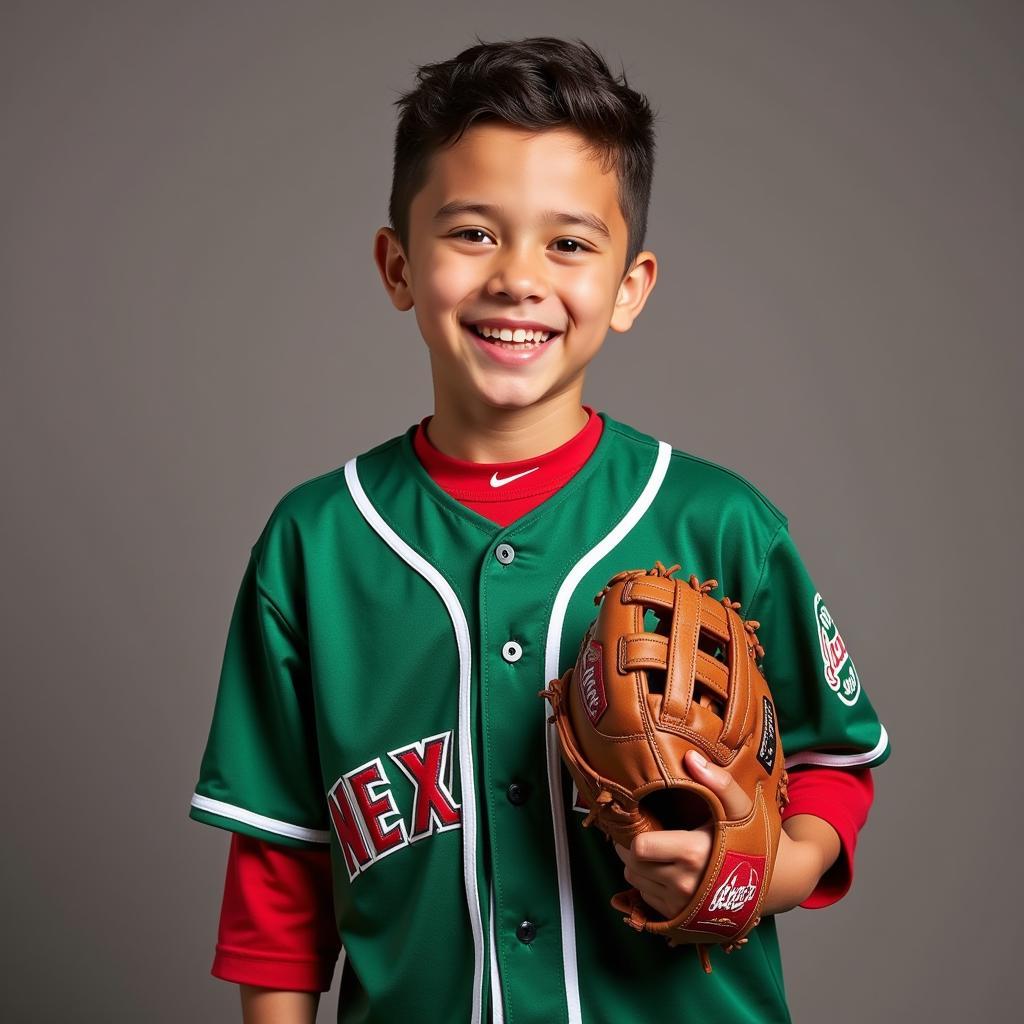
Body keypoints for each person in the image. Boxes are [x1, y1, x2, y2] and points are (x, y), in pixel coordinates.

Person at [188, 35, 889, 1024]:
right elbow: (278, 869)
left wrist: (755, 871)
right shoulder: (316, 543)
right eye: (472, 232)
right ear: (397, 265)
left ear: (630, 286)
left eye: (568, 242)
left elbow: (832, 762)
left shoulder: (715, 520)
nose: (518, 278)